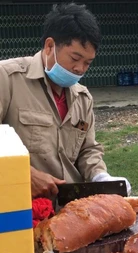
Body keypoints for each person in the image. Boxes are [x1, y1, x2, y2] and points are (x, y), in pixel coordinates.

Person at [0, 3, 131, 198]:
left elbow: (88, 150)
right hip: (19, 207)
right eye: (75, 58)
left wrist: (100, 176)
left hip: (70, 209)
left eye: (87, 63)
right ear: (50, 46)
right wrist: (26, 174)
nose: (80, 69)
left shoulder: (83, 98)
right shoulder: (8, 79)